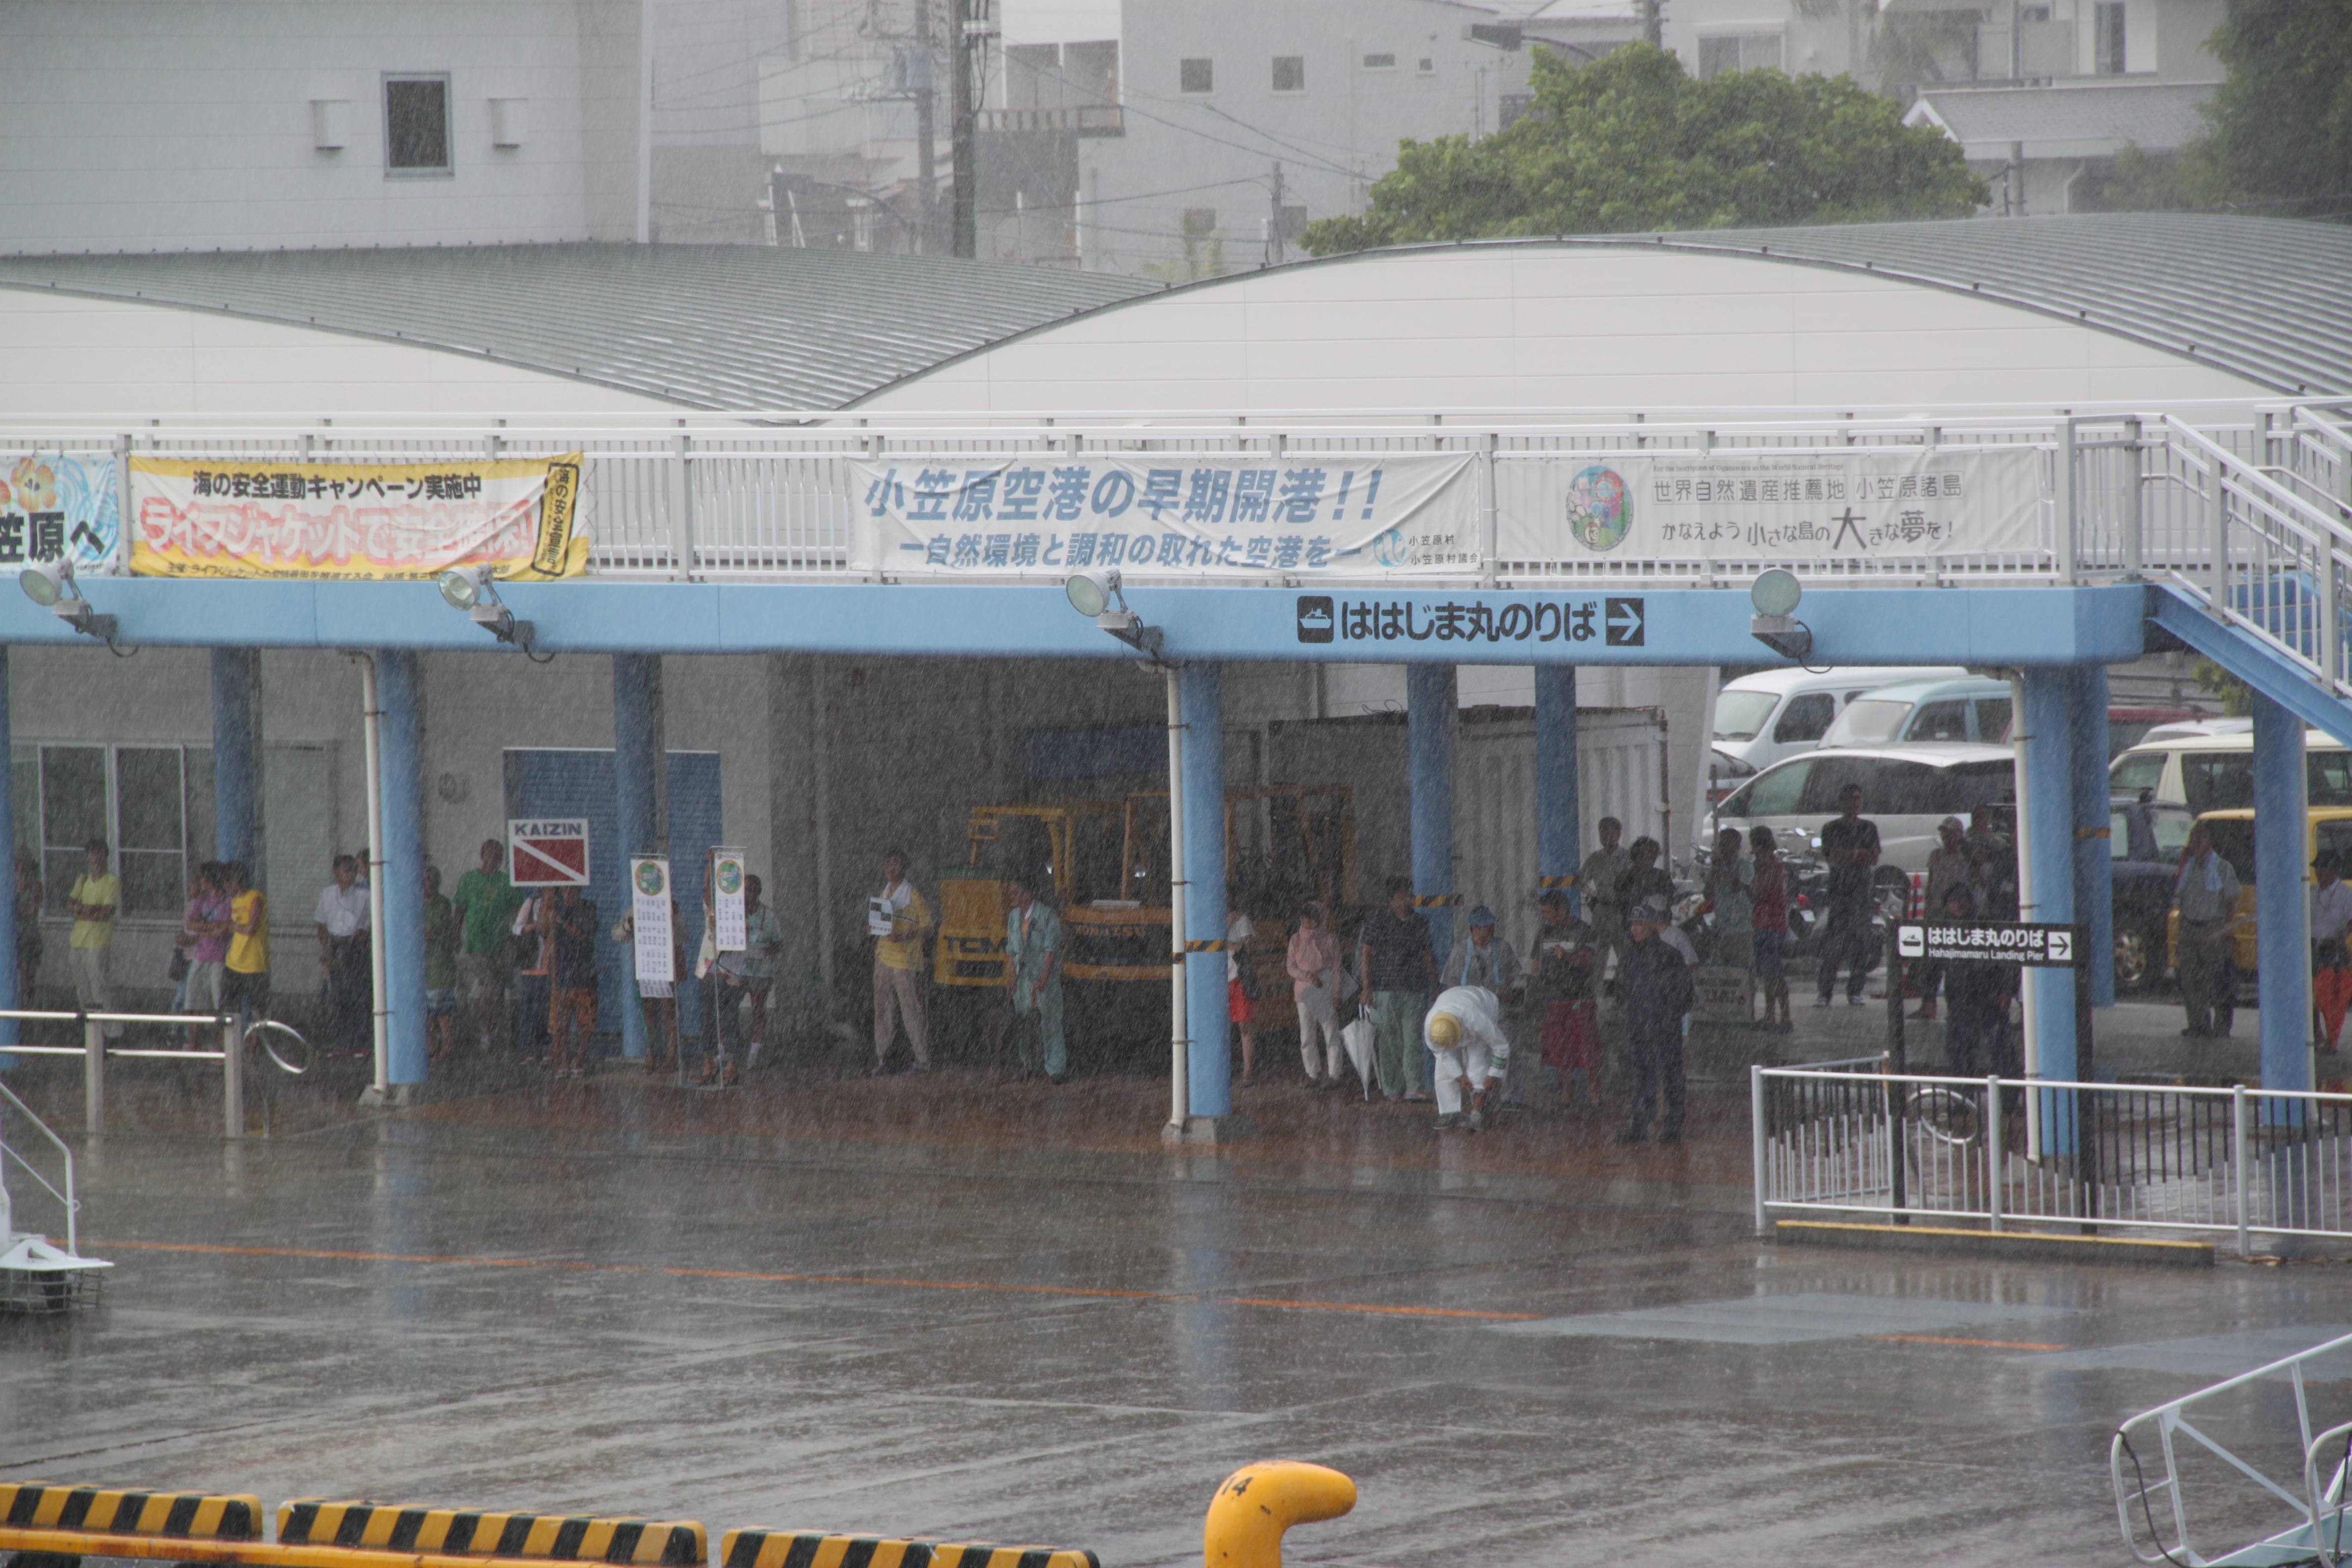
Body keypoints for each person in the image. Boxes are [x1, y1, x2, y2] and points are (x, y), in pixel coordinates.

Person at [1618, 894, 1693, 1144]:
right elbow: (1625, 991)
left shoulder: (1669, 955)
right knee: (1642, 1078)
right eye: (1633, 925)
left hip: (1664, 1027)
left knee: (1670, 1076)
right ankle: (1640, 1125)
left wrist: (1668, 1016)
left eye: (1640, 925)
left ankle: (1673, 1126)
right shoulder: (1630, 957)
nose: (1635, 929)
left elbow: (1685, 993)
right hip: (1639, 1026)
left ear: (1652, 925)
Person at [1357, 877, 1437, 1101]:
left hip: (1413, 988)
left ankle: (1414, 1087)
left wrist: (1434, 986)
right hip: (1384, 989)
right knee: (1389, 1040)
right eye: (1401, 896)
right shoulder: (1378, 921)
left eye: (1409, 896)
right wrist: (1367, 987)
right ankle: (1393, 1088)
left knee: (1413, 1038)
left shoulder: (1419, 923)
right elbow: (1365, 954)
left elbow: (1427, 956)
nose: (1406, 900)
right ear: (1390, 899)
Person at [1442, 905, 1525, 1104]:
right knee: (1473, 1056)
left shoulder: (1502, 947)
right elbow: (1451, 982)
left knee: (1508, 1050)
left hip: (1497, 1009)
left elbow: (1513, 973)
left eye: (1491, 926)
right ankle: (1477, 1098)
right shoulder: (1461, 951)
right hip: (1470, 1012)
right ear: (1475, 928)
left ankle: (1511, 1098)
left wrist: (1506, 991)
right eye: (1486, 926)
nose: (1490, 930)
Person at [1529, 889, 1599, 1107]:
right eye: (1543, 912)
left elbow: (1588, 962)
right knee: (1559, 1050)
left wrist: (1566, 957)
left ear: (1562, 910)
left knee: (1587, 1048)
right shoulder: (1543, 934)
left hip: (1579, 999)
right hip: (1552, 1000)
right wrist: (1533, 990)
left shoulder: (1584, 931)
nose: (1546, 916)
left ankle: (1596, 1095)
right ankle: (1567, 1094)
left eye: (1549, 912)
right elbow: (1536, 966)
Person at [2174, 820, 2242, 1039]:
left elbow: (2231, 901)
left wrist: (2225, 930)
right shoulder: (2188, 867)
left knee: (2217, 981)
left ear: (2211, 842)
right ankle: (2198, 1025)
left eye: (2200, 837)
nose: (2195, 842)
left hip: (2212, 928)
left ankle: (2222, 1028)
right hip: (2190, 929)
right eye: (2193, 837)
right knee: (2191, 981)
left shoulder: (2223, 868)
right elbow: (2181, 900)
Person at [1939, 883, 2016, 1077]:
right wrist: (1928, 997)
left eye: (1962, 902)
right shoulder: (1943, 929)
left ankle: (2007, 1102)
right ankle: (1961, 1101)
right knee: (1960, 1052)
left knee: (2002, 1050)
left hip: (1990, 997)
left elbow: (2010, 958)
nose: (1958, 907)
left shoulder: (1987, 926)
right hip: (1959, 1000)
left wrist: (2008, 989)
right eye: (1953, 903)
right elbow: (1931, 964)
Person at [1815, 784, 1881, 1008]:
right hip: (1839, 893)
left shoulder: (1869, 828)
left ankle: (1855, 991)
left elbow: (1873, 858)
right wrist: (1856, 854)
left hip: (1862, 893)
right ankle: (1825, 993)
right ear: (1842, 803)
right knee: (1834, 944)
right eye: (1850, 799)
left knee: (1861, 943)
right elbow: (1833, 857)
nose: (1855, 803)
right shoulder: (1831, 828)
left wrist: (1850, 856)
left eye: (1858, 799)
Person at [453, 839, 520, 1054]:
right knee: (490, 984)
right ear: (483, 855)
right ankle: (485, 1029)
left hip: (501, 942)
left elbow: (517, 910)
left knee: (498, 988)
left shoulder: (506, 881)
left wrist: (519, 935)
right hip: (478, 943)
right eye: (491, 854)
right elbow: (460, 909)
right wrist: (456, 934)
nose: (495, 860)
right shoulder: (469, 880)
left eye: (499, 856)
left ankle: (493, 1027)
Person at [871, 850, 934, 1075]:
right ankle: (883, 1059)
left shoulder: (913, 895)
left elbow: (928, 927)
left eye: (895, 864)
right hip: (883, 957)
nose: (890, 868)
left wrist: (906, 937)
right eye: (887, 864)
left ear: (904, 868)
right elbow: (880, 926)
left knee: (910, 1011)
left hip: (905, 961)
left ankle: (922, 1060)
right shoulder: (884, 893)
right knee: (883, 1010)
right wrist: (871, 928)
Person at [1423, 985, 1511, 1132]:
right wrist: (1459, 1076)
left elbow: (1501, 1046)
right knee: (1443, 1070)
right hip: (1458, 1005)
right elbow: (1442, 1054)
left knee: (1478, 1062)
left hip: (1484, 1005)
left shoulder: (1476, 1020)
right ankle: (1450, 1112)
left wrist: (1493, 1074)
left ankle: (1478, 1112)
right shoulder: (1430, 1028)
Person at [1004, 875, 1066, 1082]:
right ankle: (1028, 1066)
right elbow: (1012, 951)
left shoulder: (1047, 916)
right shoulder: (1013, 917)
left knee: (1050, 1021)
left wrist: (1044, 978)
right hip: (1023, 979)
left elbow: (1051, 950)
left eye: (1014, 893)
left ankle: (1055, 1069)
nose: (1010, 896)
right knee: (1024, 1023)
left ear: (1027, 895)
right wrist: (1011, 977)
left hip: (1043, 978)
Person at [1913, 816, 1973, 1021]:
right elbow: (1931, 883)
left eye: (1951, 832)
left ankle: (1955, 1008)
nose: (1947, 836)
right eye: (1944, 832)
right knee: (1930, 962)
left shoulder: (1965, 857)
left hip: (1956, 914)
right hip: (1936, 914)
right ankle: (1928, 1006)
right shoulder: (1936, 856)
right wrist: (1929, 909)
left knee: (1954, 964)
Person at [314, 853, 371, 1057]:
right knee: (339, 998)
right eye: (348, 870)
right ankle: (342, 1042)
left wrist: (364, 935)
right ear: (336, 872)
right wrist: (326, 950)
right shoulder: (328, 894)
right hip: (335, 946)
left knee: (360, 996)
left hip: (355, 948)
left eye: (355, 870)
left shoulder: (365, 895)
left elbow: (373, 925)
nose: (352, 874)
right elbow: (321, 924)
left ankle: (363, 1043)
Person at [65, 837, 121, 1039]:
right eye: (92, 853)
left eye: (99, 853)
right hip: (78, 939)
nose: (96, 858)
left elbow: (106, 911)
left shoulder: (112, 881)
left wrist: (83, 910)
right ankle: (92, 1029)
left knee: (100, 985)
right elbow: (70, 905)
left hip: (98, 940)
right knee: (83, 987)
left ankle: (112, 1032)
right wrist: (87, 910)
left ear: (106, 855)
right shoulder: (83, 880)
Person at [545, 883, 599, 1079]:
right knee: (560, 1024)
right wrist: (548, 905)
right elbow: (544, 932)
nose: (568, 894)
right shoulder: (556, 907)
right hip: (561, 975)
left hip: (585, 974)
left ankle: (579, 1060)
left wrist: (560, 920)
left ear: (580, 890)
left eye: (572, 889)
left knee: (586, 1023)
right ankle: (564, 1060)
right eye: (565, 890)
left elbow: (583, 934)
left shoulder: (588, 908)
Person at [1287, 900, 1343, 1088]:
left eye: (1311, 919)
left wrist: (1337, 993)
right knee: (1307, 1035)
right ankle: (1313, 1073)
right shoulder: (1295, 939)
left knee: (1331, 1034)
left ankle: (1334, 1075)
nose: (1307, 922)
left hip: (1324, 991)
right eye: (1304, 918)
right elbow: (1290, 967)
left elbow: (1337, 969)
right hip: (1304, 994)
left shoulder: (1330, 939)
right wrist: (1307, 976)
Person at [180, 862, 232, 1049]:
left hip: (219, 958)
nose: (201, 881)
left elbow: (224, 930)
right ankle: (194, 1042)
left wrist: (204, 927)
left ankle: (221, 1043)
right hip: (200, 956)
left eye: (204, 878)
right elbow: (191, 924)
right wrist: (209, 928)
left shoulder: (228, 902)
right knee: (192, 1001)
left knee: (220, 1003)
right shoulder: (203, 899)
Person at [737, 874, 786, 1067]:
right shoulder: (735, 913)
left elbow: (779, 943)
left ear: (758, 892)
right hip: (739, 967)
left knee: (758, 1010)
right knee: (729, 1007)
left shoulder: (769, 915)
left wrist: (768, 950)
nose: (747, 894)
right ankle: (729, 1048)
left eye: (751, 890)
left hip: (761, 968)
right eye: (744, 889)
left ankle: (754, 1053)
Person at [1749, 827, 1793, 1031]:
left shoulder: (1771, 868)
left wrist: (1745, 886)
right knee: (1770, 974)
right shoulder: (1772, 867)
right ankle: (1773, 1014)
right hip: (1768, 924)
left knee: (1773, 973)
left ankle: (1781, 1015)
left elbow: (1757, 893)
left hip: (1770, 925)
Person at [220, 860, 270, 1029]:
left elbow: (251, 929)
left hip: (254, 964)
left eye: (228, 881)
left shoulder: (256, 898)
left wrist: (232, 926)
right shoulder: (234, 901)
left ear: (237, 881)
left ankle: (253, 1047)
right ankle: (229, 1045)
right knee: (229, 1008)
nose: (226, 885)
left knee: (257, 1010)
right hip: (234, 963)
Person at [1582, 818, 1631, 979]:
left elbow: (1636, 884)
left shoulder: (1628, 858)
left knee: (1626, 956)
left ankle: (1621, 992)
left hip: (1622, 914)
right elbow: (1581, 882)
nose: (1606, 836)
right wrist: (1591, 901)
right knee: (1597, 956)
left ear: (1618, 835)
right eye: (1603, 832)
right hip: (1601, 913)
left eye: (1610, 832)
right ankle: (1596, 996)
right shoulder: (1595, 859)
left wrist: (1626, 902)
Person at [2314, 851, 2352, 1054]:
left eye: (2323, 868)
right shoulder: (2311, 891)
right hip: (2313, 945)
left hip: (2334, 949)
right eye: (2317, 868)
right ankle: (2316, 1035)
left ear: (2335, 870)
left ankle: (2332, 1039)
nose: (2319, 872)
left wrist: (2342, 936)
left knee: (2332, 997)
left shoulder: (2345, 893)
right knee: (2312, 996)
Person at [511, 885, 553, 1066]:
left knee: (548, 1010)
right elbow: (516, 928)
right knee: (530, 1009)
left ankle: (549, 1049)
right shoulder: (532, 903)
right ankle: (532, 1049)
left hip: (551, 965)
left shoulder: (559, 905)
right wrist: (535, 926)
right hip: (531, 963)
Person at [422, 866, 459, 1063]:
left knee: (443, 1009)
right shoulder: (415, 903)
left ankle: (447, 1046)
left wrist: (430, 935)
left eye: (430, 879)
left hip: (440, 961)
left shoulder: (443, 904)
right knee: (425, 1009)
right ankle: (430, 1047)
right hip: (423, 964)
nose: (427, 884)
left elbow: (436, 930)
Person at [1703, 828, 1754, 971]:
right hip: (1721, 927)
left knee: (1741, 972)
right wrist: (1714, 873)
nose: (1724, 848)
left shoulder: (1745, 866)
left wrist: (1723, 868)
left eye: (1727, 844)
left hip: (1741, 929)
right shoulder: (1717, 869)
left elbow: (1736, 887)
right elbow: (1707, 894)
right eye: (1721, 844)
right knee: (1721, 972)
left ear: (1737, 847)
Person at [14, 852, 42, 1008]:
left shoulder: (35, 886)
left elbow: (33, 909)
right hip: (14, 935)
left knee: (27, 973)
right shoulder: (10, 886)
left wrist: (17, 913)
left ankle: (27, 1006)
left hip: (28, 935)